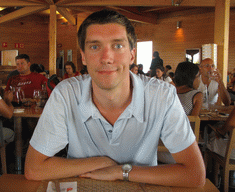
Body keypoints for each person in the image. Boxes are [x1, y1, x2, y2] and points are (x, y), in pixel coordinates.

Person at [25, 9, 205, 187]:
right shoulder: (66, 93)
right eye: (95, 46)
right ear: (83, 56)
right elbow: (34, 169)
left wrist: (121, 171)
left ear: (132, 55)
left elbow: (195, 174)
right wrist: (102, 162)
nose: (106, 58)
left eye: (118, 46)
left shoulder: (161, 95)